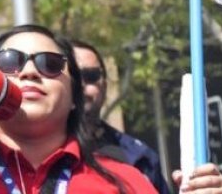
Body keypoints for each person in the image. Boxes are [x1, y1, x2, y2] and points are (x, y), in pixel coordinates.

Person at [0, 24, 222, 193]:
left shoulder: (127, 181)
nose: (30, 71)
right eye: (10, 61)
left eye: (51, 64)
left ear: (76, 94)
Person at [70, 39, 171, 194]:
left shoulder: (139, 157)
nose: (81, 84)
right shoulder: (34, 150)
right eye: (73, 76)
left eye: (90, 75)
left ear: (104, 85)